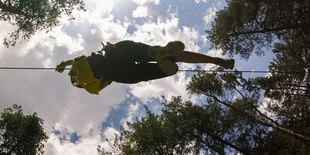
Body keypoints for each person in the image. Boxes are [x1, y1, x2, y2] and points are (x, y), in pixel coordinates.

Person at [55, 40, 234, 94]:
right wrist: (62, 64)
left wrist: (107, 80)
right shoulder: (78, 64)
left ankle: (163, 59)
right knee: (155, 53)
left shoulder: (89, 87)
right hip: (118, 51)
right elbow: (75, 60)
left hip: (122, 73)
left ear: (76, 83)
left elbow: (106, 83)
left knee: (171, 70)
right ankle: (217, 61)